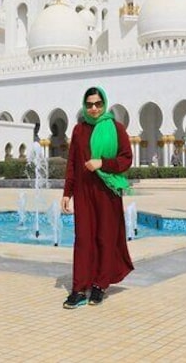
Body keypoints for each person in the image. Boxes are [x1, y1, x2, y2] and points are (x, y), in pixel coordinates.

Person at [61, 87, 134, 309]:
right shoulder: (78, 130)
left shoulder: (116, 128)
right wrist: (67, 192)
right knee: (83, 238)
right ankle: (79, 288)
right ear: (85, 105)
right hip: (84, 192)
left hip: (107, 192)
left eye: (98, 104)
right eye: (90, 104)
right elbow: (72, 164)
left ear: (104, 104)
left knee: (105, 237)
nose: (94, 108)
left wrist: (103, 163)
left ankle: (100, 285)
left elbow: (126, 159)